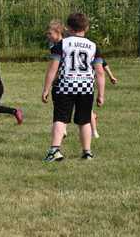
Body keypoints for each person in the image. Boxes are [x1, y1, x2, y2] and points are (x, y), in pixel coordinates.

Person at [41, 13, 105, 162]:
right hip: (86, 87)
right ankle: (87, 152)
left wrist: (46, 89)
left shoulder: (61, 45)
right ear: (87, 28)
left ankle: (55, 150)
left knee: (60, 118)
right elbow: (100, 72)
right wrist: (101, 94)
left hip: (65, 86)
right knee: (84, 120)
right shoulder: (93, 46)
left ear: (67, 28)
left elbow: (53, 69)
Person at [90, 59, 118, 138]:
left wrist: (111, 76)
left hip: (86, 83)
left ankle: (94, 132)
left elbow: (103, 64)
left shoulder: (91, 50)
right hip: (79, 82)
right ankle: (93, 117)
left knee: (87, 110)